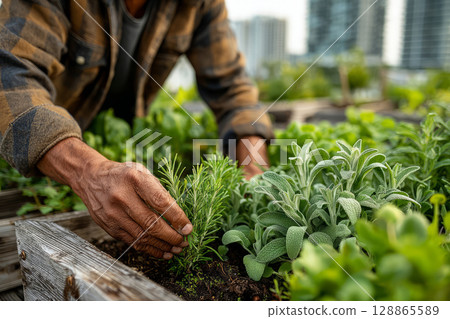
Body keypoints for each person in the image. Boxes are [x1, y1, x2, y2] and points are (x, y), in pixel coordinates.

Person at [0, 0, 273, 260]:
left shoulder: (200, 5)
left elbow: (233, 89)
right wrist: (87, 172)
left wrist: (253, 167)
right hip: (34, 150)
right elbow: (10, 76)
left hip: (114, 138)